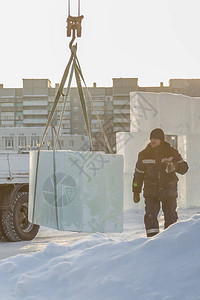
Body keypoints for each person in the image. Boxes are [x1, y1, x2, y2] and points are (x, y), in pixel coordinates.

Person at [132, 128, 188, 237]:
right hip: (151, 192)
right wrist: (135, 191)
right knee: (150, 216)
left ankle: (170, 241)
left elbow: (184, 168)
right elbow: (138, 175)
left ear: (161, 140)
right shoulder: (143, 155)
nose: (153, 140)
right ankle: (152, 242)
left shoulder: (171, 152)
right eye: (152, 138)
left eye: (156, 138)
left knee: (171, 217)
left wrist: (174, 167)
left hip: (169, 191)